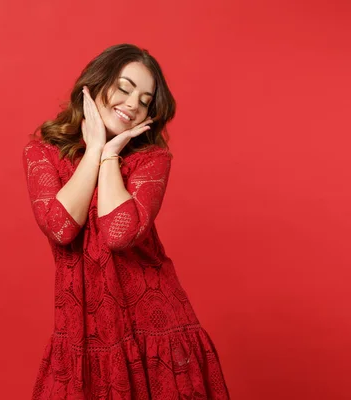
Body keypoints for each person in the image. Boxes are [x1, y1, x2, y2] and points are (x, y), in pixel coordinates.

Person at [22, 43, 229, 400]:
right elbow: (61, 227)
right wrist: (95, 148)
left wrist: (110, 155)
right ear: (95, 82)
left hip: (154, 333)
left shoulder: (151, 159)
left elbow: (118, 234)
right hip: (82, 335)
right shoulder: (42, 152)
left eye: (145, 100)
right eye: (125, 88)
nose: (133, 104)